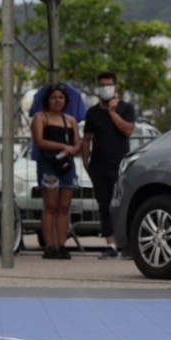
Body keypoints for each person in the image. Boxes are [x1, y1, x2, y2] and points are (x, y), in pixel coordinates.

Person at [82, 71, 136, 259]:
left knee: (122, 204)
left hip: (120, 165)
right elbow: (87, 139)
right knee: (104, 205)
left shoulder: (126, 108)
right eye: (102, 85)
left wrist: (112, 112)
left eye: (108, 84)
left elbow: (127, 130)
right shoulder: (92, 113)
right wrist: (86, 162)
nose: (105, 88)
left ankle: (126, 243)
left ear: (116, 86)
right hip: (99, 166)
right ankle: (110, 244)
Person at [31, 84, 83, 259]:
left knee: (64, 206)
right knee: (51, 206)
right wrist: (62, 146)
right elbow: (39, 141)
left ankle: (61, 245)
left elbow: (77, 143)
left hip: (67, 165)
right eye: (54, 97)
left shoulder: (70, 120)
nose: (57, 101)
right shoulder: (40, 117)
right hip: (48, 164)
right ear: (47, 100)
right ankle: (49, 245)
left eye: (60, 98)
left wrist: (71, 150)